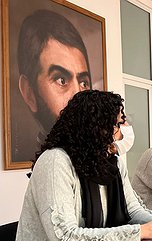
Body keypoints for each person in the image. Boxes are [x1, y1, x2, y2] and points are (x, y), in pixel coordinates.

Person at [11, 90, 152, 241]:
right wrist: (142, 231)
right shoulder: (55, 161)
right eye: (117, 125)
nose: (120, 133)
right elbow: (64, 239)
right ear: (94, 127)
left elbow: (133, 210)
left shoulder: (112, 160)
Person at [15, 10, 92, 162]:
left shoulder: (91, 157)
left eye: (83, 83)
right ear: (29, 92)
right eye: (61, 80)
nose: (79, 96)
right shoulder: (51, 163)